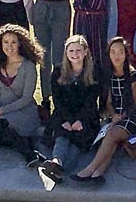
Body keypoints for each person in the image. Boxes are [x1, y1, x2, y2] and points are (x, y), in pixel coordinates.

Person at [72, 37, 136, 184]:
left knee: (112, 133)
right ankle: (99, 173)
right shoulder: (108, 75)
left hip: (133, 115)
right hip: (115, 117)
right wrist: (113, 115)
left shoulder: (133, 75)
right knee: (110, 138)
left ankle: (89, 169)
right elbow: (109, 102)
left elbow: (135, 102)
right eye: (113, 52)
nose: (116, 56)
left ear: (126, 54)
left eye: (120, 52)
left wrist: (121, 116)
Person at [0, 24, 45, 168]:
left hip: (23, 110)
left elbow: (26, 98)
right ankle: (24, 145)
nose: (9, 46)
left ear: (20, 44)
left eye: (13, 42)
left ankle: (27, 154)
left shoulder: (28, 65)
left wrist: (1, 112)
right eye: (5, 42)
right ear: (0, 43)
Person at [41, 35, 100, 183]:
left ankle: (60, 171)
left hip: (86, 117)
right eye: (71, 50)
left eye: (78, 50)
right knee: (62, 134)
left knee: (77, 142)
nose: (75, 54)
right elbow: (57, 100)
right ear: (66, 53)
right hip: (63, 114)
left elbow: (91, 101)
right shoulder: (58, 71)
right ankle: (56, 162)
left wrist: (79, 120)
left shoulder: (94, 72)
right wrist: (68, 120)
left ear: (85, 51)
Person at [32, 0, 74, 112]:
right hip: (41, 9)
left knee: (59, 54)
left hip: (61, 9)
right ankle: (46, 98)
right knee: (42, 55)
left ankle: (60, 95)